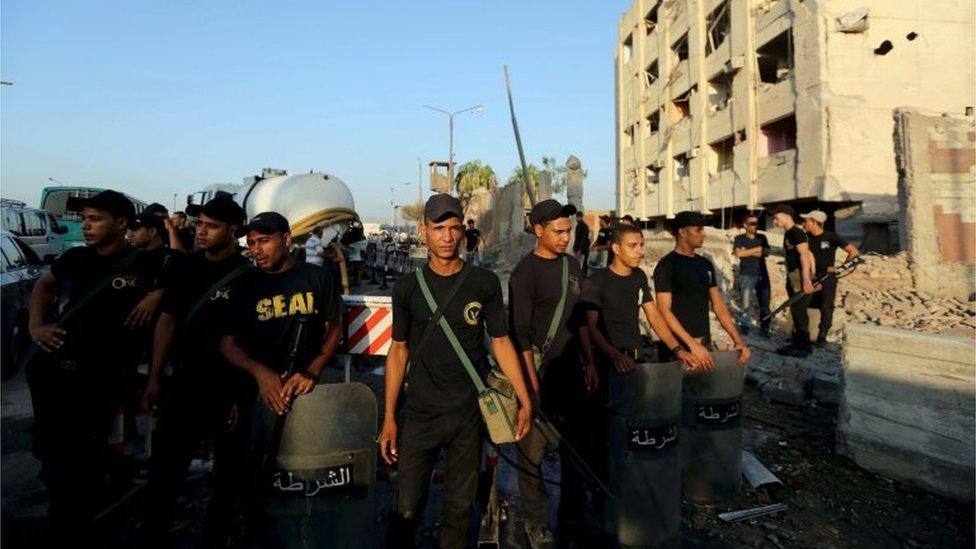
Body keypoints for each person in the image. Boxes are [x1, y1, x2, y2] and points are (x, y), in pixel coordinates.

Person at [379, 194, 533, 549]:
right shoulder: (408, 289)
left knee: (460, 511)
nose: (447, 236)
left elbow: (501, 342)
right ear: (424, 232)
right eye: (438, 228)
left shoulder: (484, 283)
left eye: (454, 228)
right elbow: (399, 350)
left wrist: (525, 399)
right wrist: (389, 417)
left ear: (463, 231)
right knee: (405, 509)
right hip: (419, 414)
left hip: (468, 415)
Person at [26, 190, 162, 544]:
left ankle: (80, 514)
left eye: (95, 219)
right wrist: (35, 327)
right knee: (55, 449)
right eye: (84, 219)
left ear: (120, 224)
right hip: (57, 369)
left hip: (104, 375)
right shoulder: (76, 259)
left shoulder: (146, 262)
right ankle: (65, 516)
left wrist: (156, 294)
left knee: (90, 452)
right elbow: (44, 286)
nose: (85, 225)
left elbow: (184, 280)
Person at [218, 211, 344, 541]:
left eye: (265, 241)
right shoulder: (244, 284)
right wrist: (261, 375)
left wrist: (312, 371)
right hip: (258, 397)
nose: (257, 250)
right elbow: (228, 344)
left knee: (304, 477)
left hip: (305, 395)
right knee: (252, 481)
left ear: (287, 239)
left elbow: (334, 329)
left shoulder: (317, 278)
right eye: (252, 243)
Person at [143, 196, 252, 545]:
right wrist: (155, 377)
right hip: (184, 383)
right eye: (200, 224)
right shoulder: (185, 268)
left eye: (211, 226)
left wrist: (239, 395)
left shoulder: (248, 278)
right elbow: (167, 322)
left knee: (226, 476)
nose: (201, 231)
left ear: (232, 231)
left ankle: (215, 535)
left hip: (226, 389)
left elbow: (251, 341)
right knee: (165, 470)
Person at [508, 198, 586, 546]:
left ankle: (573, 516)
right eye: (558, 231)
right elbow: (519, 335)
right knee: (532, 457)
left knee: (575, 452)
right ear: (538, 230)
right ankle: (536, 522)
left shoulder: (573, 266)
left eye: (568, 231)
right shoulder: (525, 273)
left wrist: (590, 362)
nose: (565, 237)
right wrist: (531, 385)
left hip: (572, 375)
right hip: (537, 377)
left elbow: (580, 319)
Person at [652, 211, 750, 366]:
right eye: (698, 230)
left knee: (702, 388)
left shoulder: (705, 264)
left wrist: (738, 340)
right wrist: (691, 345)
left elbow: (718, 306)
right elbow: (664, 310)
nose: (704, 234)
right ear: (683, 232)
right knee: (677, 389)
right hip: (678, 347)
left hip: (703, 343)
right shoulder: (666, 266)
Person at [801, 210, 859, 347]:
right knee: (805, 305)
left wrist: (840, 267)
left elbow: (853, 251)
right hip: (811, 277)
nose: (804, 223)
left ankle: (822, 337)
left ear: (814, 222)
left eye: (806, 221)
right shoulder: (805, 238)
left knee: (826, 307)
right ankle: (804, 335)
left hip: (828, 278)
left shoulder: (831, 237)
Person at [770, 205, 816, 357]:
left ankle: (804, 347)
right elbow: (809, 253)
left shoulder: (796, 233)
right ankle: (798, 343)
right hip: (793, 277)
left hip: (799, 278)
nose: (775, 221)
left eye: (776, 218)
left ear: (785, 215)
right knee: (796, 311)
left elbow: (804, 255)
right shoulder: (789, 233)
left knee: (800, 312)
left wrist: (807, 278)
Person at [732, 214, 772, 337]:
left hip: (762, 274)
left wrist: (746, 251)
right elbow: (738, 254)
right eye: (752, 223)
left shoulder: (762, 237)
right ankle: (745, 327)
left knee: (764, 303)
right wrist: (756, 249)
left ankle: (764, 329)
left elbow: (765, 253)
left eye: (756, 223)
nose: (755, 225)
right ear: (745, 225)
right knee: (745, 302)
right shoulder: (739, 238)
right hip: (747, 274)